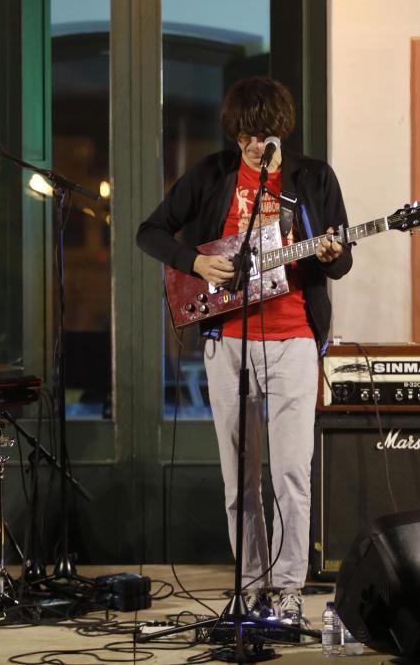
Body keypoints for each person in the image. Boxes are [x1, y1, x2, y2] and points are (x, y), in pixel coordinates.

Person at [136, 77, 353, 628]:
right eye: (251, 136)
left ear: (284, 131)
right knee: (241, 482)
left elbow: (341, 260)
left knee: (290, 476)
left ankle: (286, 591)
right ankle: (251, 585)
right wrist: (195, 263)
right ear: (236, 133)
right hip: (226, 343)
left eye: (270, 134)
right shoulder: (212, 175)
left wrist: (330, 254)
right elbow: (150, 232)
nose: (261, 145)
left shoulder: (313, 178)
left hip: (294, 341)